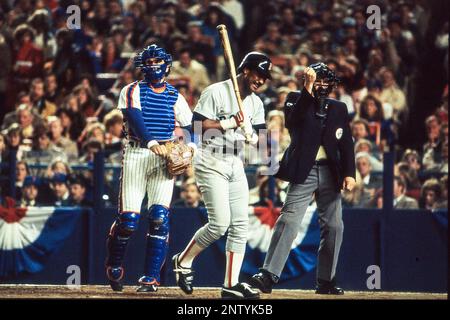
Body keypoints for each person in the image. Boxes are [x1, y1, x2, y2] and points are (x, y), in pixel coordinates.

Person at [172, 52, 272, 299]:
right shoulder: (216, 91)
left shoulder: (256, 103)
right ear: (245, 70)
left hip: (235, 160)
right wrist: (227, 124)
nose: (260, 81)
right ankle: (182, 261)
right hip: (210, 158)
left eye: (264, 77)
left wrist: (251, 134)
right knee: (219, 224)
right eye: (257, 74)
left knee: (240, 224)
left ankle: (230, 283)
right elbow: (195, 128)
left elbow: (261, 140)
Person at [249, 62, 356, 295]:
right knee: (288, 220)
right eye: (316, 79)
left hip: (331, 171)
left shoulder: (339, 107)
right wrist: (307, 88)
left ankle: (326, 281)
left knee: (335, 225)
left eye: (324, 81)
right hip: (303, 170)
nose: (321, 84)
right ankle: (267, 274)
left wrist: (350, 173)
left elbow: (346, 142)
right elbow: (294, 123)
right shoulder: (294, 98)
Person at [105, 44, 193, 293]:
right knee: (129, 221)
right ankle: (114, 264)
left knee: (159, 218)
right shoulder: (131, 89)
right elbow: (134, 116)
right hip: (137, 153)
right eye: (149, 61)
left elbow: (190, 127)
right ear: (143, 65)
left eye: (158, 60)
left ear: (166, 64)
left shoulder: (175, 95)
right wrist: (152, 142)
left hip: (164, 158)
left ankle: (150, 278)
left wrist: (190, 149)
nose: (154, 65)